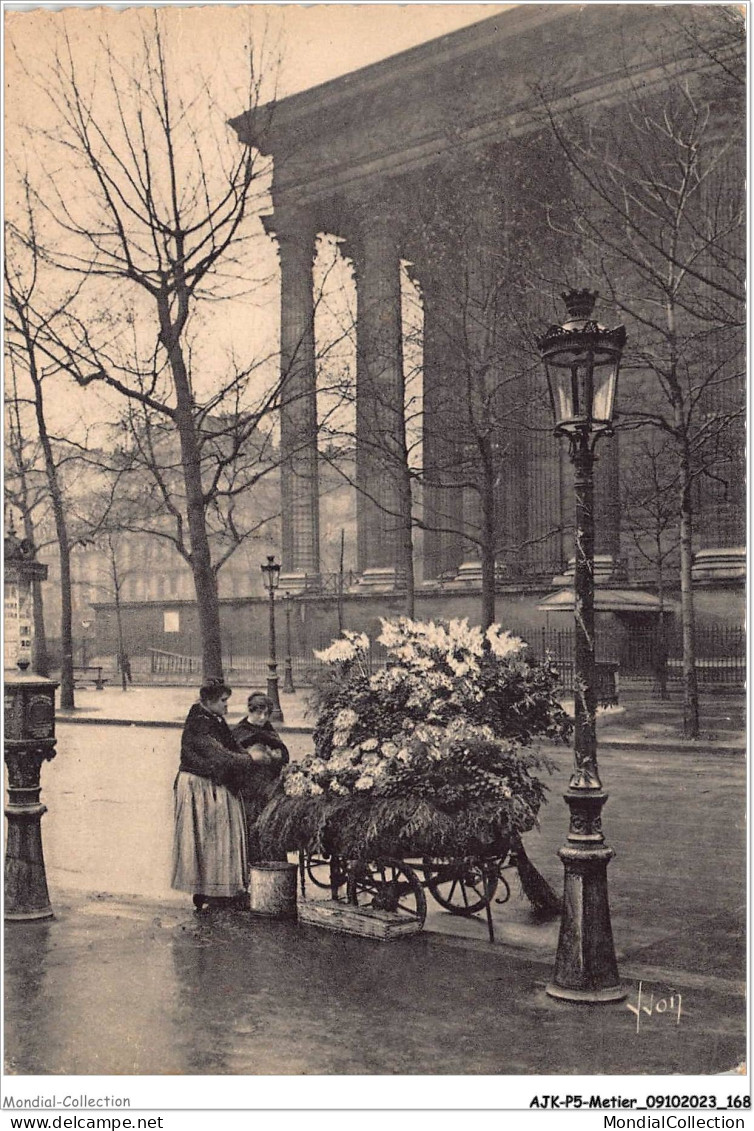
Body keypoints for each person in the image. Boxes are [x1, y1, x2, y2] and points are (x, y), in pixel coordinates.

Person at [171, 678, 255, 912]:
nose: (227, 706)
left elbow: (230, 746)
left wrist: (244, 754)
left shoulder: (213, 718)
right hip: (199, 785)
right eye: (223, 701)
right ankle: (209, 890)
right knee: (209, 837)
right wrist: (251, 759)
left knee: (217, 836)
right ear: (208, 701)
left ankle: (220, 890)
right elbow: (218, 755)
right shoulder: (199, 722)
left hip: (211, 783)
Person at [231, 692, 290, 862]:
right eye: (258, 713)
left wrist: (278, 755)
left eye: (266, 714)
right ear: (250, 711)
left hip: (270, 790)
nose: (262, 718)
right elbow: (234, 760)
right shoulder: (240, 732)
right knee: (253, 831)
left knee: (272, 829)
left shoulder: (268, 729)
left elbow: (283, 753)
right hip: (250, 793)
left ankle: (274, 868)